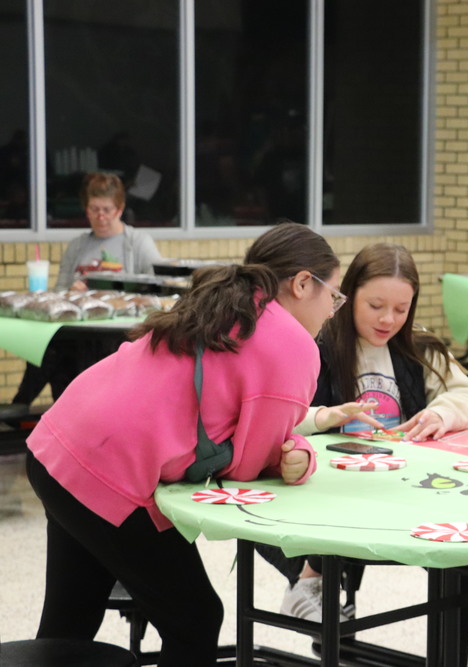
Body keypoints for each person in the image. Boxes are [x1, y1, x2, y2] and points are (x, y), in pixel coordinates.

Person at [24, 222, 343, 666]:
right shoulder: (293, 343)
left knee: (69, 620)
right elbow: (248, 466)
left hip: (56, 444)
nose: (333, 310)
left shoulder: (228, 301)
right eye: (335, 295)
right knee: (195, 619)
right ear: (303, 283)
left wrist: (288, 446)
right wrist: (301, 456)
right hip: (111, 469)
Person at [259, 242, 468, 657]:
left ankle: (450, 657)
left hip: (404, 492)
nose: (388, 320)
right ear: (347, 295)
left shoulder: (419, 347)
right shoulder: (318, 345)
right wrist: (324, 417)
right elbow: (278, 415)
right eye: (376, 305)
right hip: (332, 492)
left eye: (401, 310)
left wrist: (443, 414)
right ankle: (313, 588)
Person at [14, 171, 165, 407]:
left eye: (106, 210)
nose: (100, 216)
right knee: (51, 349)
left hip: (119, 336)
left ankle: (23, 405)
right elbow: (59, 292)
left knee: (61, 355)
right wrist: (71, 292)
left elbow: (159, 289)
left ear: (120, 209)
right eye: (94, 209)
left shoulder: (138, 243)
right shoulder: (78, 246)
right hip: (80, 334)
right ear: (85, 209)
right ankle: (37, 408)